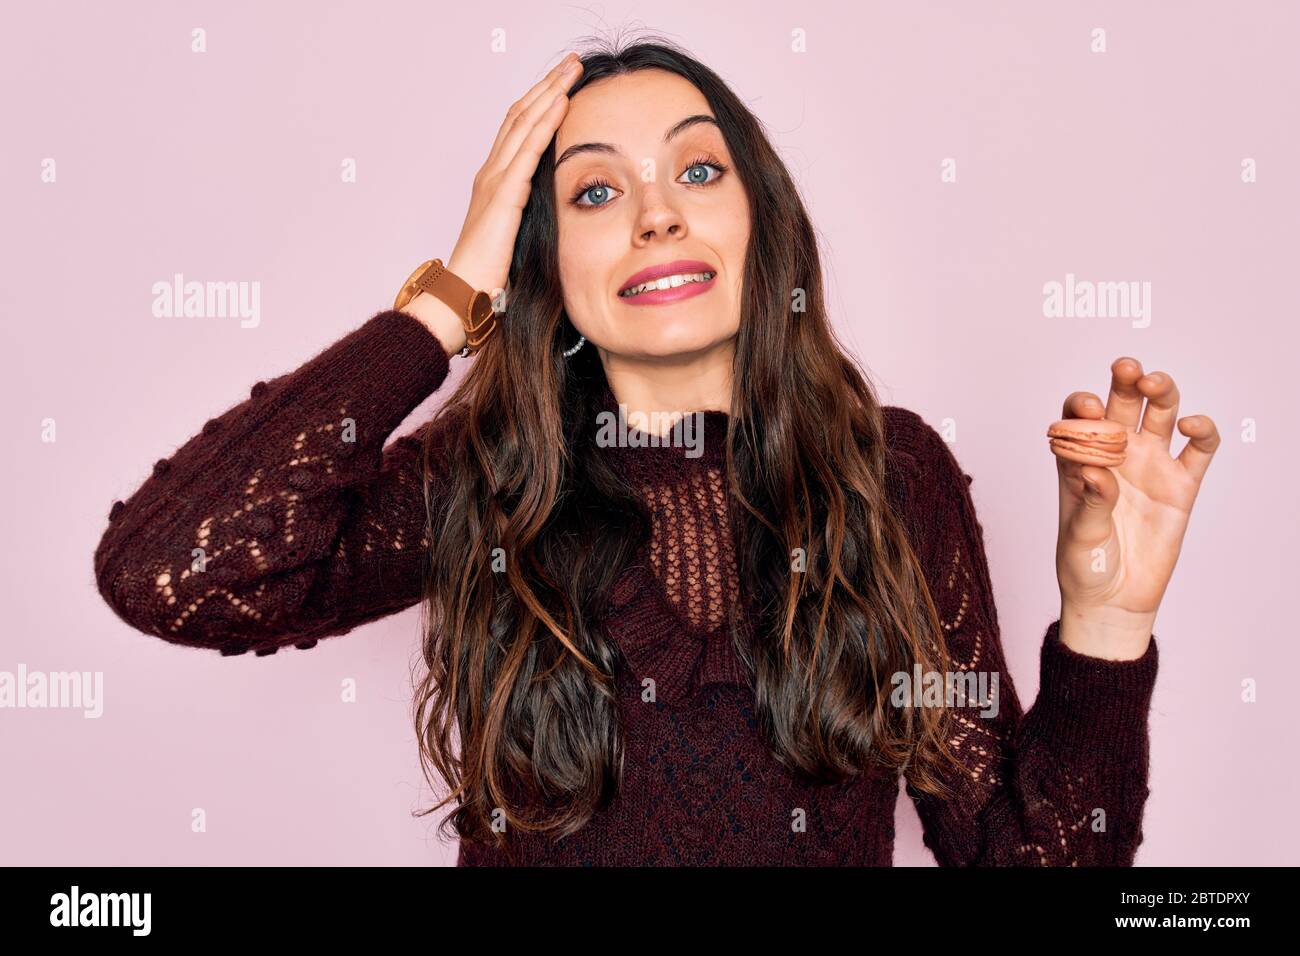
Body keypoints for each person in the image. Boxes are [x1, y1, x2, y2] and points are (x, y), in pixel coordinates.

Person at [93, 38, 1219, 866]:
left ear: (759, 223)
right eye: (592, 191)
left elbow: (1028, 861)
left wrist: (1105, 626)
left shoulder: (887, 475)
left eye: (696, 171)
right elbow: (168, 570)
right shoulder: (487, 480)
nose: (654, 217)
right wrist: (447, 297)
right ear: (543, 268)